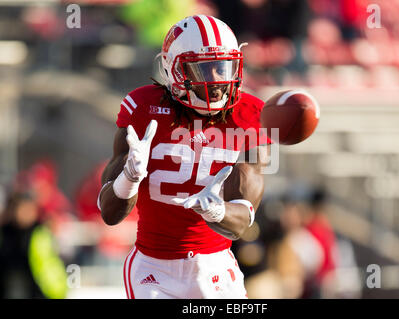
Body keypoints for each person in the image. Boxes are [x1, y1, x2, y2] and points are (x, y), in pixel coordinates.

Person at [98, 15, 271, 299]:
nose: (217, 81)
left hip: (215, 266)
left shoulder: (250, 115)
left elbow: (241, 223)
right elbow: (109, 213)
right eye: (204, 70)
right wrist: (129, 178)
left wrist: (217, 211)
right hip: (154, 269)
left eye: (223, 67)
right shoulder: (143, 108)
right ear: (174, 70)